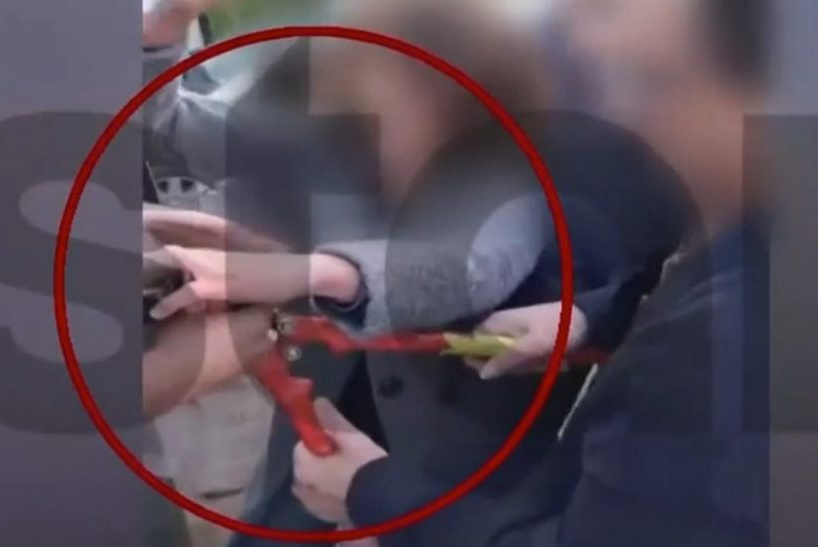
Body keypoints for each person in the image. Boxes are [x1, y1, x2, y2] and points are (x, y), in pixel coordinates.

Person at [142, 0, 689, 542]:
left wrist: (311, 272)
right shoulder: (330, 137)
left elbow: (465, 269)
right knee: (277, 520)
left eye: (390, 111)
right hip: (331, 393)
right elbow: (171, 129)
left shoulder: (514, 172)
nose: (359, 133)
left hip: (460, 438)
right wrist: (160, 35)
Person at [290, 0, 771, 545]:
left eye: (656, 82)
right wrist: (586, 318)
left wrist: (372, 492)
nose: (624, 113)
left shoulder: (725, 345)